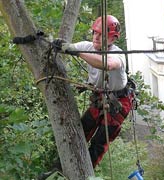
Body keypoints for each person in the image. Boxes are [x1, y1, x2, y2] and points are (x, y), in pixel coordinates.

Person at [54, 15, 134, 168]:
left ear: (112, 39)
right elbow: (68, 47)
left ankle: (85, 174)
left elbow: (108, 65)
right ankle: (59, 170)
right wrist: (58, 44)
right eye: (94, 33)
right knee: (80, 132)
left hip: (118, 102)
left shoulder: (118, 54)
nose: (96, 37)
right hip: (100, 97)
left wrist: (76, 52)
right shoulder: (88, 46)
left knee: (99, 142)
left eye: (102, 35)